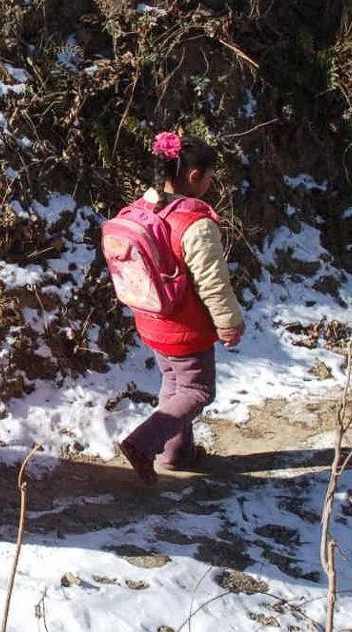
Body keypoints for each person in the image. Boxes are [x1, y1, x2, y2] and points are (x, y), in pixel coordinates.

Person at [117, 132, 245, 484]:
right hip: (185, 328)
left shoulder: (141, 209)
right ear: (193, 176)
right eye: (208, 177)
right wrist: (229, 324)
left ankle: (176, 454)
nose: (209, 183)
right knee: (197, 390)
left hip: (150, 320)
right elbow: (214, 284)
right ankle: (143, 443)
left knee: (174, 383)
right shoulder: (194, 224)